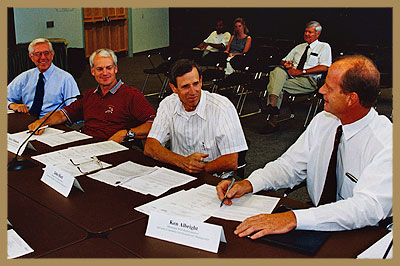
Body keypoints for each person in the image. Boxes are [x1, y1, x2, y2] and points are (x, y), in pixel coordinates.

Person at [216, 55, 392, 239]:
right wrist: (250, 183)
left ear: (351, 99)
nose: (321, 90)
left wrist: (294, 218)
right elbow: (290, 166)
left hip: (364, 234)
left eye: (329, 88)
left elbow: (366, 208)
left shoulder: (386, 143)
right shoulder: (324, 121)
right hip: (316, 219)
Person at [28, 48, 156, 144]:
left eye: (109, 68)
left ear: (115, 69)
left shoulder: (131, 95)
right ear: (92, 71)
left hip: (114, 148)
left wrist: (126, 134)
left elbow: (154, 123)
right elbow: (63, 114)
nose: (105, 73)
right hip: (86, 144)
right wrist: (42, 121)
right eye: (100, 69)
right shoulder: (90, 95)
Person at [144, 59, 248, 175]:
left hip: (214, 176)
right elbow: (150, 147)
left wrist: (197, 169)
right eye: (185, 87)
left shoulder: (222, 107)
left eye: (196, 84)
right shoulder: (168, 104)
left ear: (201, 81)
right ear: (174, 88)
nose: (193, 92)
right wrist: (182, 162)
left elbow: (231, 161)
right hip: (180, 171)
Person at [262, 21, 332, 133]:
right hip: (291, 77)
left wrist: (302, 71)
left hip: (308, 80)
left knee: (276, 85)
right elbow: (283, 60)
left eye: (310, 32)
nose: (307, 34)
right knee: (277, 70)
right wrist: (286, 64)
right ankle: (273, 105)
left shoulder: (324, 47)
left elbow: (325, 67)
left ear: (317, 34)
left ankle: (272, 122)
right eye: (306, 31)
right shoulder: (299, 47)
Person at [7, 38, 80, 118]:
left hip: (53, 124)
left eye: (46, 53)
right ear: (31, 57)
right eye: (38, 54)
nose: (43, 57)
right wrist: (12, 105)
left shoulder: (65, 78)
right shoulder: (25, 77)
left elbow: (75, 110)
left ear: (52, 54)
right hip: (28, 121)